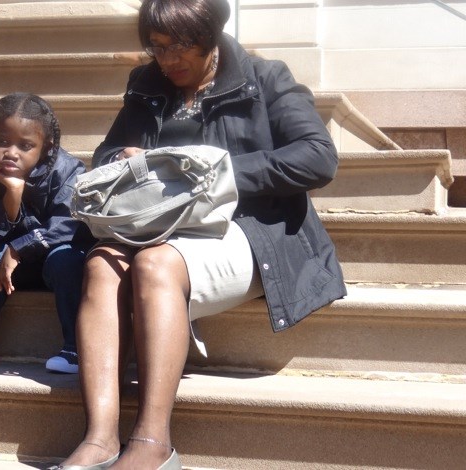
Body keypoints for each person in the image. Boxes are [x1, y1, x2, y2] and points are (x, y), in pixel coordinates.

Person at [56, 0, 347, 468]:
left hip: (251, 230)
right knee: (101, 263)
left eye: (183, 46)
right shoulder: (146, 84)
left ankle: (153, 442)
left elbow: (317, 157)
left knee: (155, 264)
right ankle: (99, 438)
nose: (169, 60)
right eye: (157, 47)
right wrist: (123, 160)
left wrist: (212, 173)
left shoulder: (265, 78)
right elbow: (107, 150)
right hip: (162, 225)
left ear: (212, 34)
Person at [0, 92, 94, 374]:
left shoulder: (68, 170)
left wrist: (20, 247)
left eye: (25, 145)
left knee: (69, 260)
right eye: (1, 142)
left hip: (54, 258)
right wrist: (13, 193)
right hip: (9, 271)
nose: (11, 152)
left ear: (46, 147)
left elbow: (68, 224)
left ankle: (75, 347)